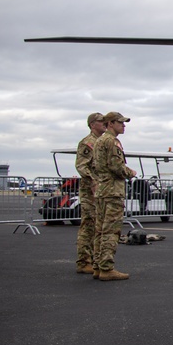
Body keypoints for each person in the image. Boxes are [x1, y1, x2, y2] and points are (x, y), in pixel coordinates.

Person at [92, 112, 137, 281]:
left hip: (103, 189)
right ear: (110, 123)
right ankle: (106, 268)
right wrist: (130, 172)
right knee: (111, 230)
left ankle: (98, 266)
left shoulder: (99, 141)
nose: (123, 126)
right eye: (120, 123)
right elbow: (116, 166)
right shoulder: (111, 141)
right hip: (112, 190)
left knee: (100, 230)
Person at [75, 112, 106, 274]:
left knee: (97, 226)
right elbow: (81, 166)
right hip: (90, 190)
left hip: (101, 189)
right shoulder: (88, 143)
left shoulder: (101, 142)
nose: (104, 124)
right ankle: (83, 261)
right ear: (93, 124)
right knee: (88, 225)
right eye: (101, 122)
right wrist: (93, 182)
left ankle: (94, 259)